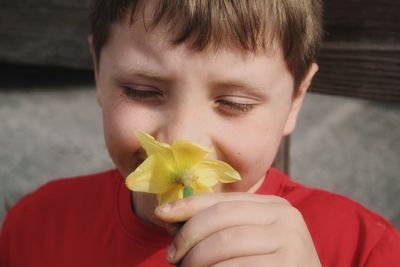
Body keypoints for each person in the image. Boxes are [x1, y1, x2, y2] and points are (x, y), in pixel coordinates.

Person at [1, 0, 399, 266]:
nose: (182, 138)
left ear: (296, 98)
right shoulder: (36, 226)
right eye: (142, 91)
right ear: (99, 73)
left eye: (235, 102)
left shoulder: (365, 250)